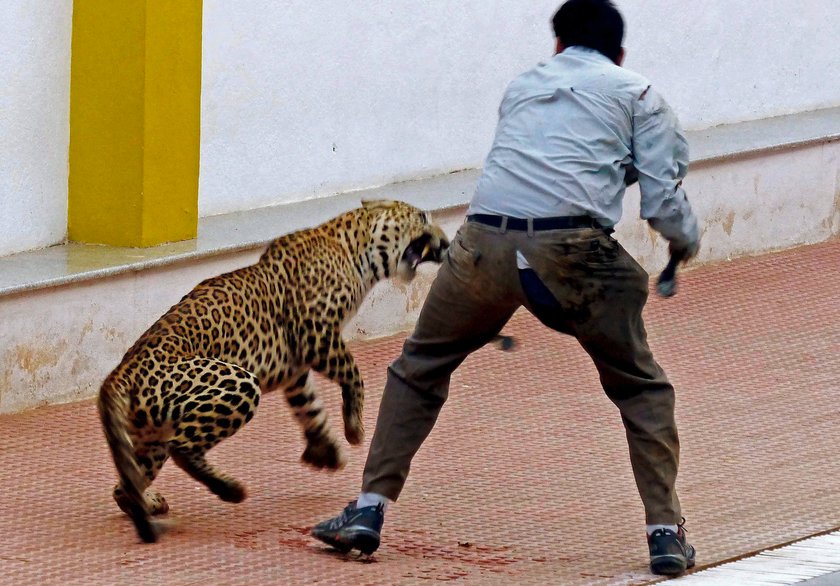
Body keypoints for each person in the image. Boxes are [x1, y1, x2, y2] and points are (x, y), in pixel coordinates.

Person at [311, 0, 700, 576]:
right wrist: (682, 243)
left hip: (481, 246)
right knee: (641, 388)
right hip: (574, 255)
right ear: (619, 52)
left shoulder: (523, 86)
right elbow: (664, 201)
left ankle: (368, 510)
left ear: (558, 45)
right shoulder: (640, 94)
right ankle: (665, 534)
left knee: (418, 369)